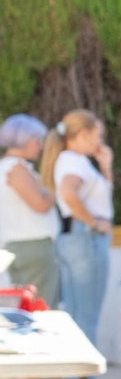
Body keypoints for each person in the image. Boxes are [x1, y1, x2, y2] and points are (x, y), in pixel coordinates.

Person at [42, 110, 113, 344]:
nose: (100, 142)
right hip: (86, 239)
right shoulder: (73, 161)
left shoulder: (73, 161)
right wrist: (94, 224)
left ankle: (75, 377)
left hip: (76, 238)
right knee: (86, 313)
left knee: (77, 311)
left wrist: (105, 167)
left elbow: (100, 197)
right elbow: (69, 194)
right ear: (83, 134)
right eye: (98, 136)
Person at [0, 115, 60, 308]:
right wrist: (53, 185)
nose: (40, 146)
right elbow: (40, 204)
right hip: (33, 247)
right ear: (23, 139)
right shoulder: (16, 169)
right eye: (37, 141)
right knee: (40, 307)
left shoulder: (7, 167)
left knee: (26, 306)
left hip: (20, 246)